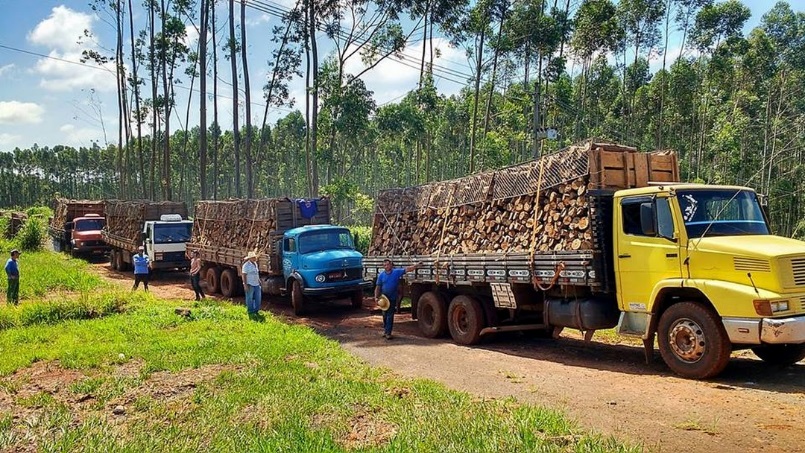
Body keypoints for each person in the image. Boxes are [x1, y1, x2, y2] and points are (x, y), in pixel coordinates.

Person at [374, 259, 420, 340]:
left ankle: (388, 332)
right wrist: (376, 297)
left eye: (387, 264)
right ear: (383, 266)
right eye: (384, 265)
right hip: (384, 299)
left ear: (391, 265)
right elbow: (378, 287)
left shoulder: (396, 272)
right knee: (384, 315)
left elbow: (407, 269)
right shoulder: (381, 275)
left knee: (390, 315)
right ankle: (385, 330)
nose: (386, 266)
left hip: (392, 298)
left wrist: (416, 266)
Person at [242, 251, 262, 315]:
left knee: (258, 297)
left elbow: (256, 273)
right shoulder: (246, 265)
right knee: (249, 298)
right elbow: (244, 275)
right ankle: (250, 311)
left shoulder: (255, 264)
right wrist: (245, 285)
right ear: (250, 258)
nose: (255, 258)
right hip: (249, 283)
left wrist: (259, 280)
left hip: (256, 283)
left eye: (255, 257)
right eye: (253, 257)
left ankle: (256, 310)